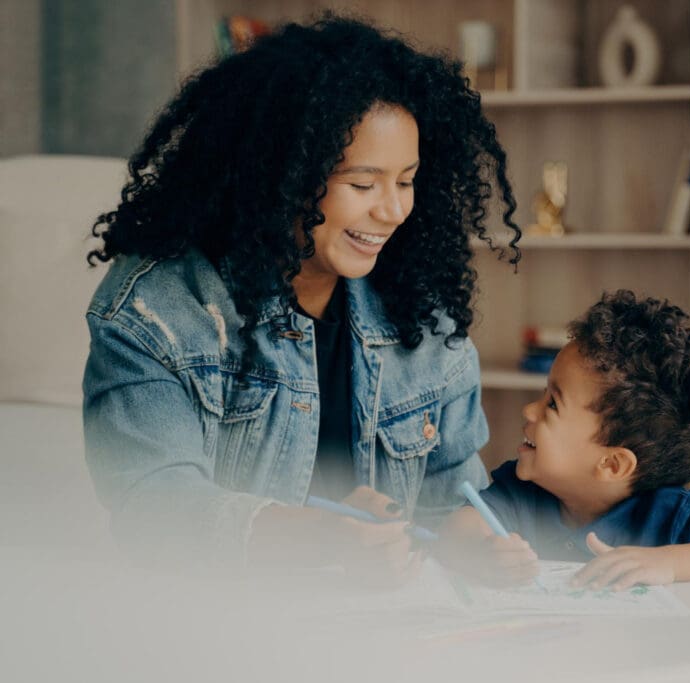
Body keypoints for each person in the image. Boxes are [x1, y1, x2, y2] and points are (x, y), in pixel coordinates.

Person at [82, 14, 521, 576]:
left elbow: (452, 503)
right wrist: (309, 538)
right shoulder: (157, 313)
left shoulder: (423, 320)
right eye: (362, 184)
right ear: (279, 175)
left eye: (406, 180)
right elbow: (151, 504)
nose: (392, 210)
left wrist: (473, 543)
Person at [439, 290, 690, 589]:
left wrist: (666, 563)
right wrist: (485, 552)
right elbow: (461, 527)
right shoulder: (521, 490)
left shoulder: (672, 514)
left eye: (552, 404)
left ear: (612, 463)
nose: (530, 410)